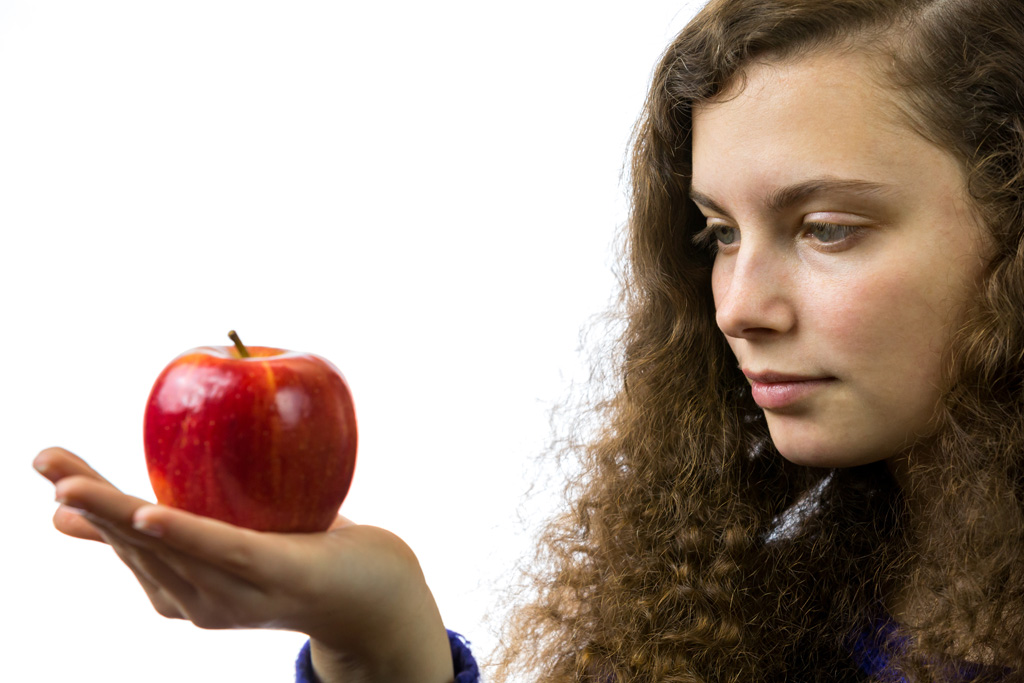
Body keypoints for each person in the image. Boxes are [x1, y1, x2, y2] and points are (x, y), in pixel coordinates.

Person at [34, 0, 1024, 680]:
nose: (737, 305)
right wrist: (377, 632)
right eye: (721, 233)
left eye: (826, 229)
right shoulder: (763, 619)